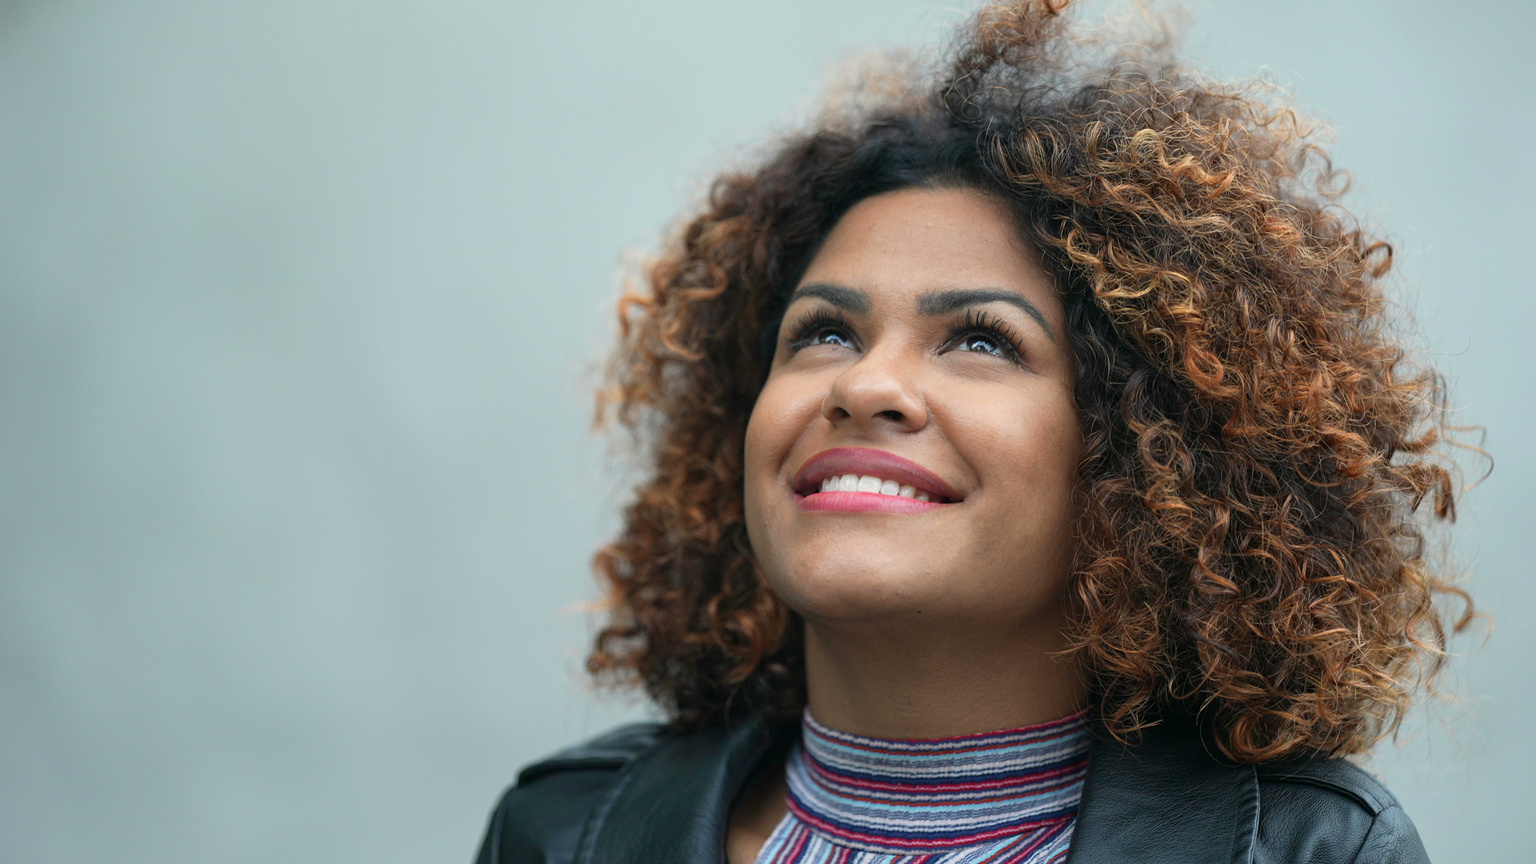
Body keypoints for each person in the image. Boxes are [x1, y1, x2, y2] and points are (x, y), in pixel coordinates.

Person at [474, 2, 1474, 862]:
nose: (867, 384)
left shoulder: (1307, 854)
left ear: (1148, 448)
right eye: (824, 332)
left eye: (982, 342)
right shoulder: (563, 834)